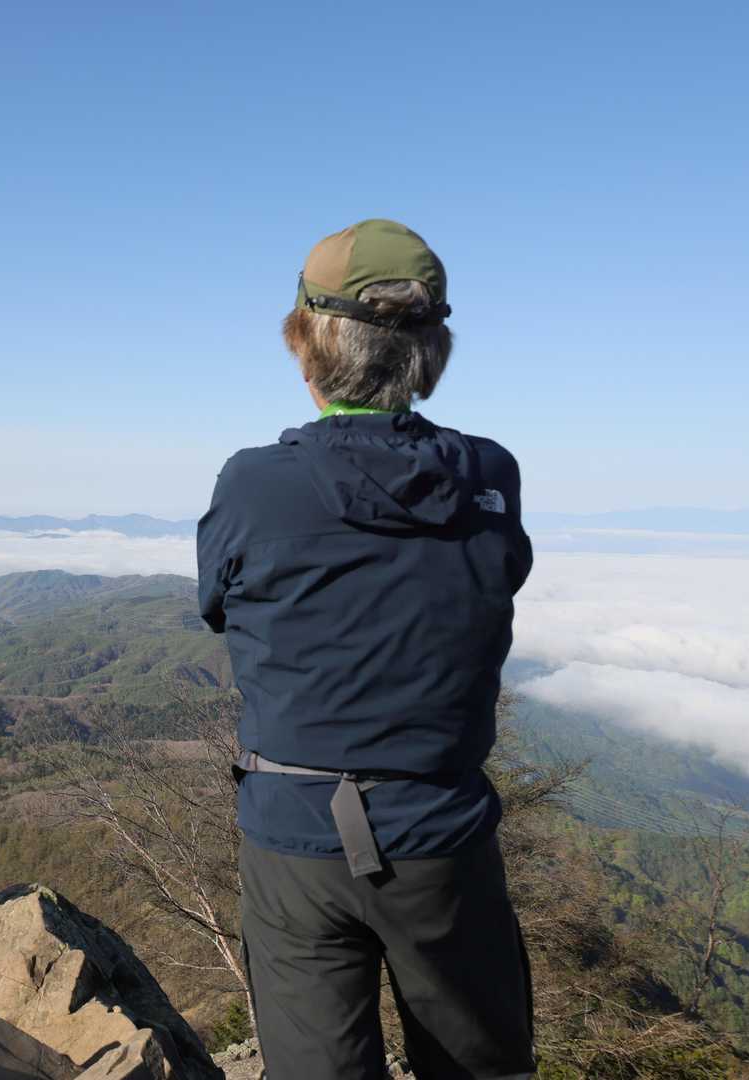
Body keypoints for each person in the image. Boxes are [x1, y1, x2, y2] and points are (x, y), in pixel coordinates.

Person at [196, 219, 536, 1079]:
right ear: (430, 352)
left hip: (293, 832)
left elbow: (217, 607)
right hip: (443, 834)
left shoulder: (254, 484)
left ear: (306, 345)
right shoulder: (489, 477)